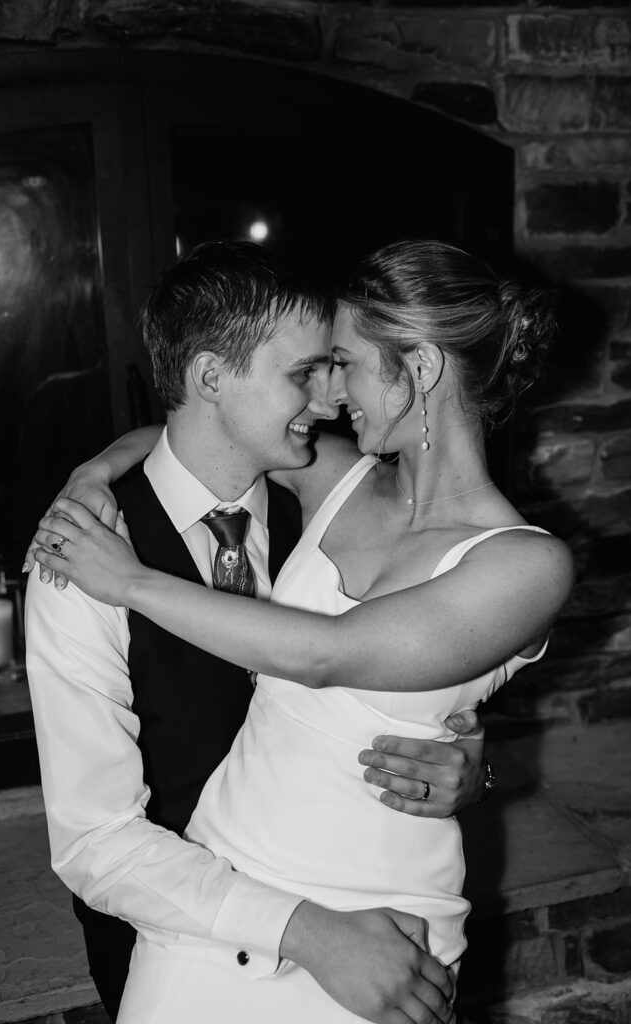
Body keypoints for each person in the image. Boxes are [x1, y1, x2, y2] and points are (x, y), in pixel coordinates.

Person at [32, 239, 575, 1024]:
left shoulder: (528, 564)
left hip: (387, 920)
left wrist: (129, 582)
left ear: (419, 370)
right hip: (208, 908)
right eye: (311, 371)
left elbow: (326, 657)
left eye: (343, 364)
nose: (327, 397)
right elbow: (193, 432)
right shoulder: (332, 477)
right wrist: (94, 470)